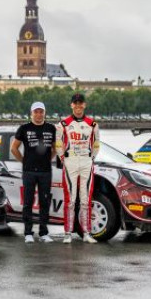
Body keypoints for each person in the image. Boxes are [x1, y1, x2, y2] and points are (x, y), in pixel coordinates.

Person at [55, 93, 100, 244]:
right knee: (70, 199)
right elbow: (58, 143)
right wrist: (63, 158)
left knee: (86, 199)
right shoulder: (63, 124)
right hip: (71, 162)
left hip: (86, 162)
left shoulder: (93, 124)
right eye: (75, 103)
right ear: (71, 105)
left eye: (81, 103)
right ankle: (67, 233)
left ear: (84, 105)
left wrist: (91, 158)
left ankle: (86, 232)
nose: (78, 106)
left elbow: (96, 144)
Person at [11, 101, 56, 244]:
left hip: (45, 171)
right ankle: (28, 233)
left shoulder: (51, 128)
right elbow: (14, 148)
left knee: (44, 202)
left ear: (44, 113)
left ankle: (44, 233)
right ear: (31, 113)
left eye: (41, 111)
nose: (38, 114)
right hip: (29, 171)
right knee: (28, 202)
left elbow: (55, 148)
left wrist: (48, 159)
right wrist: (24, 161)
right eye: (36, 111)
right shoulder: (24, 128)